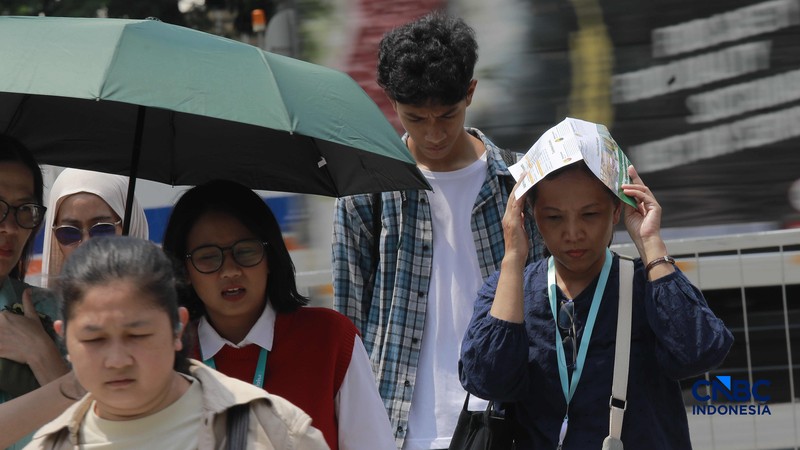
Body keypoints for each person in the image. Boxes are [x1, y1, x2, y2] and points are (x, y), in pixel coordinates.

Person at [332, 11, 544, 449]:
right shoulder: (365, 192)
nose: (432, 133)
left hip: (508, 420)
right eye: (415, 118)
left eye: (446, 116)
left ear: (470, 92)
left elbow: (547, 309)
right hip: (395, 425)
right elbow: (347, 324)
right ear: (391, 103)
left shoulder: (521, 183)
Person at [459, 122, 734, 448]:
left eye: (589, 214)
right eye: (554, 217)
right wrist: (513, 257)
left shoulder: (646, 287)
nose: (573, 233)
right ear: (530, 215)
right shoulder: (510, 289)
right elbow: (488, 381)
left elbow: (699, 352)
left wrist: (651, 244)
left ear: (617, 209)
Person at [25, 236, 329, 449]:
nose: (117, 360)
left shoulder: (271, 428)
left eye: (138, 335)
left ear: (177, 327)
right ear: (64, 337)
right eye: (94, 338)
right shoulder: (49, 445)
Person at [162, 180, 395, 450]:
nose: (229, 271)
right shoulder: (168, 355)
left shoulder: (330, 338)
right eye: (207, 257)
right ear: (184, 271)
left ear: (270, 256)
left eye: (245, 251)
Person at [0, 135, 68, 449]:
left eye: (24, 210)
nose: (11, 228)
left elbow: (99, 434)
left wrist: (42, 354)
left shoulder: (57, 315)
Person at [41, 168, 149, 288]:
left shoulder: (161, 304)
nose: (86, 245)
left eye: (102, 230)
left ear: (130, 228)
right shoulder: (37, 305)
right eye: (69, 232)